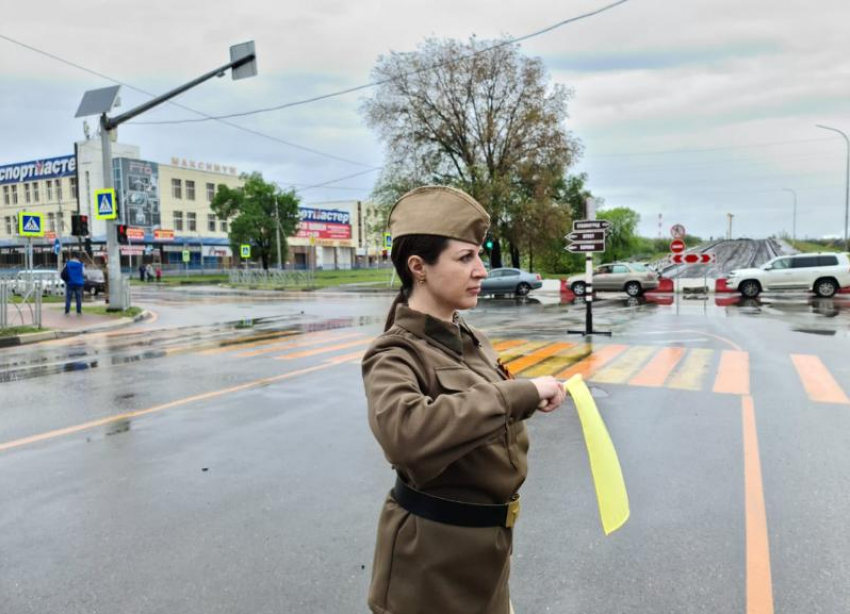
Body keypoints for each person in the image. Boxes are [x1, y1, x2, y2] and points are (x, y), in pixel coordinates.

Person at [361, 186, 566, 614]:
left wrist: (528, 397)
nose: (482, 270)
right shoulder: (395, 353)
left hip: (489, 555)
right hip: (432, 569)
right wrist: (519, 395)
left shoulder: (470, 337)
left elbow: (481, 407)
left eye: (480, 256)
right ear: (419, 267)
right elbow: (406, 434)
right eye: (465, 258)